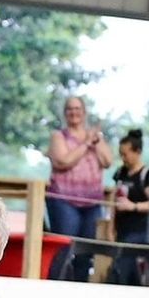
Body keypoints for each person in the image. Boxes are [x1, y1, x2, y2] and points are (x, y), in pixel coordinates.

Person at [45, 96, 112, 281]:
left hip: (92, 202)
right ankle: (57, 285)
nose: (74, 112)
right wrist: (86, 144)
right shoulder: (59, 136)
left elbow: (108, 161)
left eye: (77, 108)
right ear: (65, 113)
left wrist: (95, 141)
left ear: (84, 112)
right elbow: (62, 161)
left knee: (86, 251)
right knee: (64, 248)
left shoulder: (94, 137)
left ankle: (81, 288)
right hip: (64, 200)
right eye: (70, 109)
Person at [108, 128, 149, 286]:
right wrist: (110, 226)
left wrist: (133, 206)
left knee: (120, 269)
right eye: (121, 154)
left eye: (126, 154)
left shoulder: (146, 175)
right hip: (122, 230)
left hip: (139, 231)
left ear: (137, 152)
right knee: (128, 271)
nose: (123, 158)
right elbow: (114, 199)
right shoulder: (120, 172)